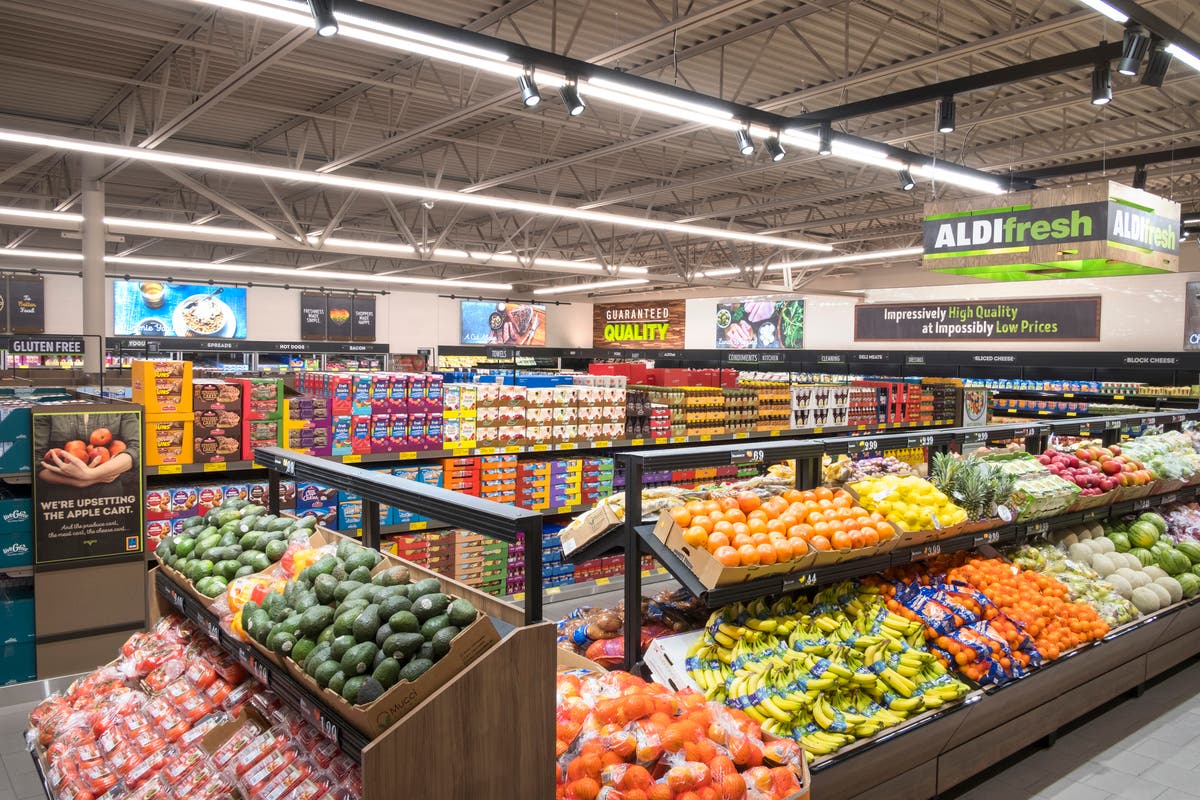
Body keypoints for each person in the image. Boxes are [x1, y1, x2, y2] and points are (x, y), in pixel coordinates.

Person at [36, 412, 140, 491]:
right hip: (61, 494)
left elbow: (137, 449)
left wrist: (91, 474)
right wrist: (80, 482)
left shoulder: (119, 405)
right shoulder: (47, 408)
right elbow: (36, 460)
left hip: (109, 494)